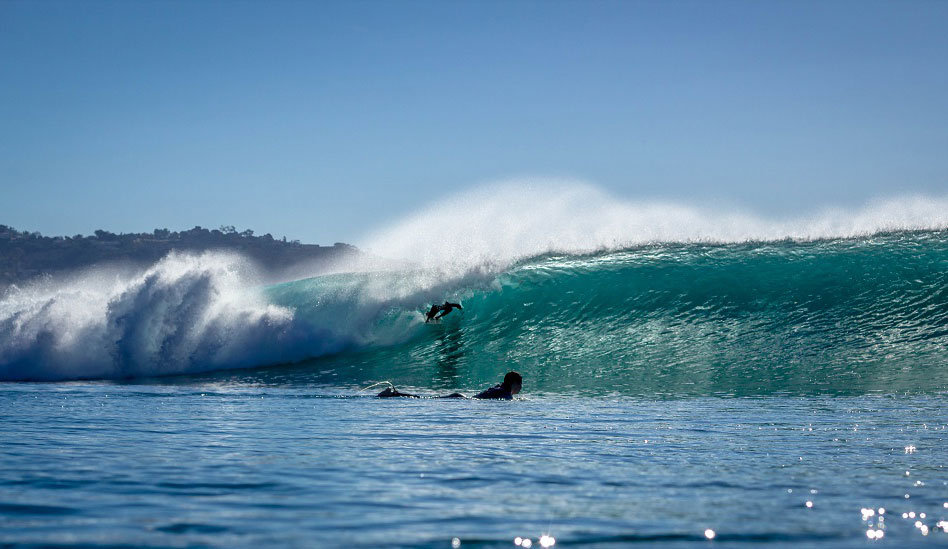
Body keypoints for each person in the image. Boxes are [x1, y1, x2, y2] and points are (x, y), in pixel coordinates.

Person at [377, 371, 523, 400]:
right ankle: (394, 393)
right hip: (460, 399)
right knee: (423, 398)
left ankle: (395, 393)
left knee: (425, 398)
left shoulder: (499, 388)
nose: (521, 388)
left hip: (460, 397)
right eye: (520, 384)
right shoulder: (504, 394)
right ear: (513, 383)